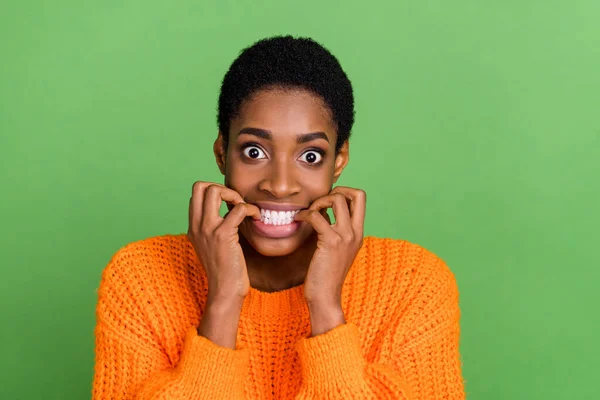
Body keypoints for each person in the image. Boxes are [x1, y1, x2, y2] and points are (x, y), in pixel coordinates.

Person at [92, 35, 465, 399]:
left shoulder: (414, 284)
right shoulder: (139, 279)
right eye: (254, 151)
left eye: (311, 156)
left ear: (339, 161)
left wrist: (326, 308)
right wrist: (223, 302)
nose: (280, 185)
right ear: (222, 153)